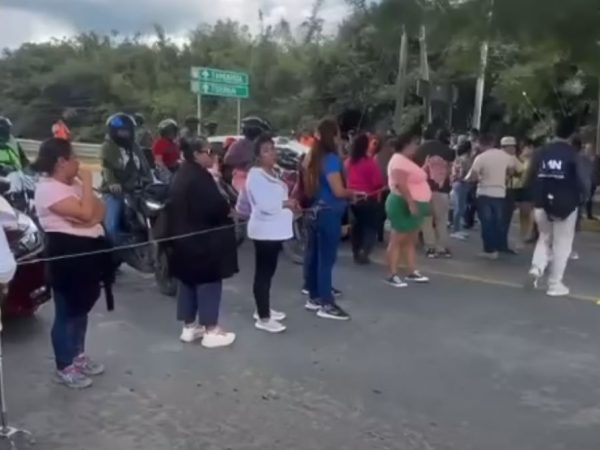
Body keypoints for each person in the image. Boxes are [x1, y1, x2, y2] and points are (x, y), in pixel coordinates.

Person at [32, 138, 115, 389]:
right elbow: (87, 212)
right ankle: (64, 365)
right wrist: (88, 184)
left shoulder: (74, 184)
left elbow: (99, 211)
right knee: (66, 312)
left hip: (88, 251)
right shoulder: (48, 189)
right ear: (61, 161)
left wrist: (87, 218)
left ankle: (78, 355)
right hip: (67, 254)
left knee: (81, 308)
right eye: (74, 157)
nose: (78, 162)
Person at [167, 137, 237, 347]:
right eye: (209, 151)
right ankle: (211, 329)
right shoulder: (199, 178)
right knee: (209, 282)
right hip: (202, 241)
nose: (213, 155)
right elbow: (216, 206)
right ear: (196, 154)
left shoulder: (181, 174)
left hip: (182, 239)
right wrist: (228, 211)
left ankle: (189, 326)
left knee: (188, 281)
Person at [302, 118, 359, 320]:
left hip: (315, 210)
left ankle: (314, 295)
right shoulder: (331, 160)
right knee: (326, 259)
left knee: (315, 256)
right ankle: (326, 303)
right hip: (329, 212)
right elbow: (338, 190)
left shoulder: (312, 157)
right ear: (333, 136)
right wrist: (352, 193)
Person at [525, 118, 588, 296]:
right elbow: (583, 181)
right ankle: (554, 284)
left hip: (541, 203)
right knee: (562, 244)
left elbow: (530, 176)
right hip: (566, 204)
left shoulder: (540, 152)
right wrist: (583, 198)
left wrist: (533, 196)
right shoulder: (573, 154)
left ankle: (537, 268)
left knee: (544, 237)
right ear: (572, 135)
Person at [245, 135, 295, 333]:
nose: (272, 153)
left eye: (272, 148)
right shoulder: (255, 176)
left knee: (269, 271)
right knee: (263, 274)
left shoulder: (273, 172)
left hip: (274, 231)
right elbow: (264, 205)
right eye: (266, 150)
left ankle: (262, 308)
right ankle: (263, 318)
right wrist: (287, 203)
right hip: (264, 231)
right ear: (258, 156)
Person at [385, 132, 431, 287]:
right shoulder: (399, 161)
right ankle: (392, 274)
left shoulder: (405, 160)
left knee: (410, 240)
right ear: (407, 144)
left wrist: (424, 168)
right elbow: (401, 184)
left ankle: (411, 271)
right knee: (397, 239)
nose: (417, 147)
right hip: (402, 203)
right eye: (415, 144)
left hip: (413, 203)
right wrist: (411, 203)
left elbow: (411, 179)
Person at [465, 133, 518, 259]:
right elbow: (511, 171)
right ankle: (499, 246)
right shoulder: (506, 156)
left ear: (481, 144)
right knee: (498, 221)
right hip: (500, 193)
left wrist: (474, 179)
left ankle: (490, 250)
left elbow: (473, 176)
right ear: (493, 142)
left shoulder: (481, 158)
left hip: (484, 193)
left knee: (486, 223)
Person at [100, 113, 148, 246]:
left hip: (137, 190)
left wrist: (150, 180)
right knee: (111, 228)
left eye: (126, 131)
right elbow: (107, 168)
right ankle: (118, 249)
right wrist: (113, 183)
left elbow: (145, 166)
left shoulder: (135, 147)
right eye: (121, 131)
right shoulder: (108, 147)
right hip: (115, 192)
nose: (124, 134)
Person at [414, 126, 455, 258]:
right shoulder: (449, 151)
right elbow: (451, 171)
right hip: (442, 189)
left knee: (426, 219)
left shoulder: (419, 149)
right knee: (441, 219)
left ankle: (430, 247)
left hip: (423, 188)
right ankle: (442, 246)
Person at [345, 133, 384, 264]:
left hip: (352, 197)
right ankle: (364, 251)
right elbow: (377, 182)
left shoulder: (348, 162)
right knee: (370, 227)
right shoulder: (369, 162)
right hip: (368, 198)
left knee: (356, 227)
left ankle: (356, 251)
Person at [224, 116, 272, 193]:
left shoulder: (260, 145)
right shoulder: (239, 145)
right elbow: (227, 159)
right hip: (242, 176)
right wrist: (245, 159)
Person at [499, 136, 523, 254]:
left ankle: (495, 243)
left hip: (495, 190)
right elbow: (521, 170)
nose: (514, 149)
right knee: (505, 219)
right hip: (507, 190)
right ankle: (501, 244)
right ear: (506, 147)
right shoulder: (511, 158)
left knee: (498, 218)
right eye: (512, 147)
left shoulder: (496, 156)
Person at [513, 138, 536, 247]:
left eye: (527, 148)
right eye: (524, 148)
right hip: (518, 187)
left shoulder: (535, 160)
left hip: (529, 188)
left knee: (527, 212)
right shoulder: (519, 158)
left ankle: (527, 234)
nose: (525, 150)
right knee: (522, 213)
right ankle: (524, 234)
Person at [450, 139, 473, 239]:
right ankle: (455, 230)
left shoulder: (459, 158)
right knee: (459, 208)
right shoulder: (465, 159)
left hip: (460, 184)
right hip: (461, 183)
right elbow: (462, 173)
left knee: (460, 207)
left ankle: (457, 229)